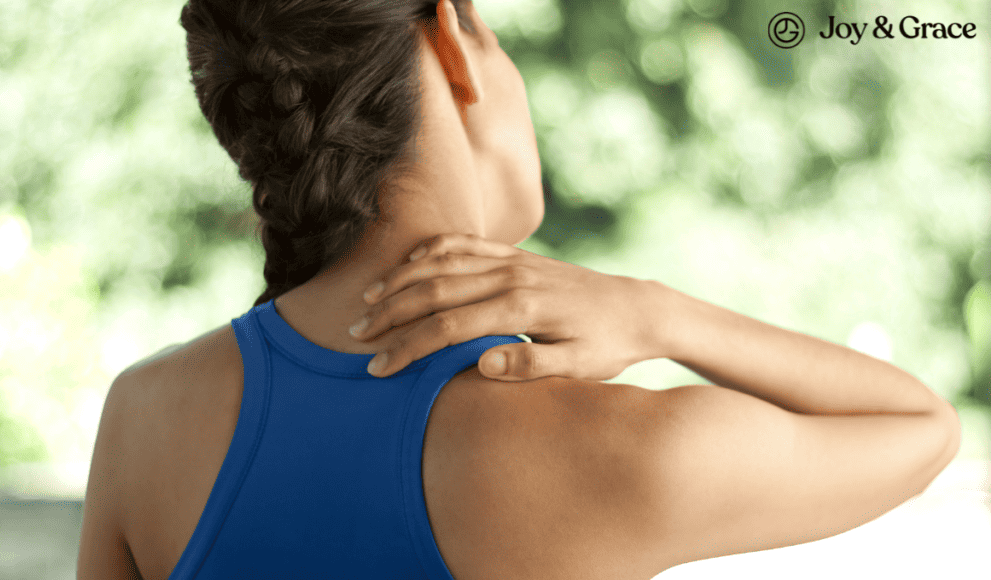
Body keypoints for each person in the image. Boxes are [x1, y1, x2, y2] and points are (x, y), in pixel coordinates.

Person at [76, 0, 962, 578]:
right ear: (455, 42)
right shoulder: (610, 447)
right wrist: (660, 313)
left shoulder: (145, 420)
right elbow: (920, 429)